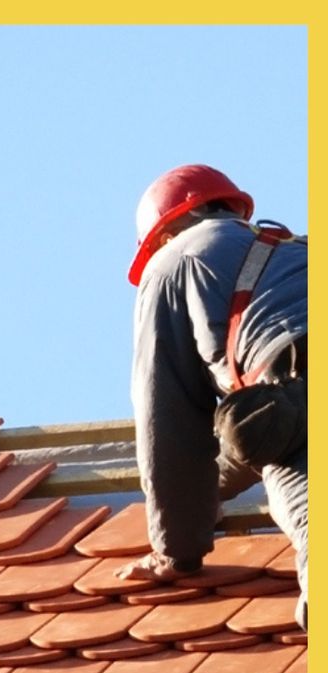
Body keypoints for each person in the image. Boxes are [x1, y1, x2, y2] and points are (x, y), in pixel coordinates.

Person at [117, 164, 308, 630]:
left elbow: (170, 418)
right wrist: (213, 490)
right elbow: (273, 421)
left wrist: (177, 549)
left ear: (165, 233)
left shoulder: (173, 262)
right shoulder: (299, 250)